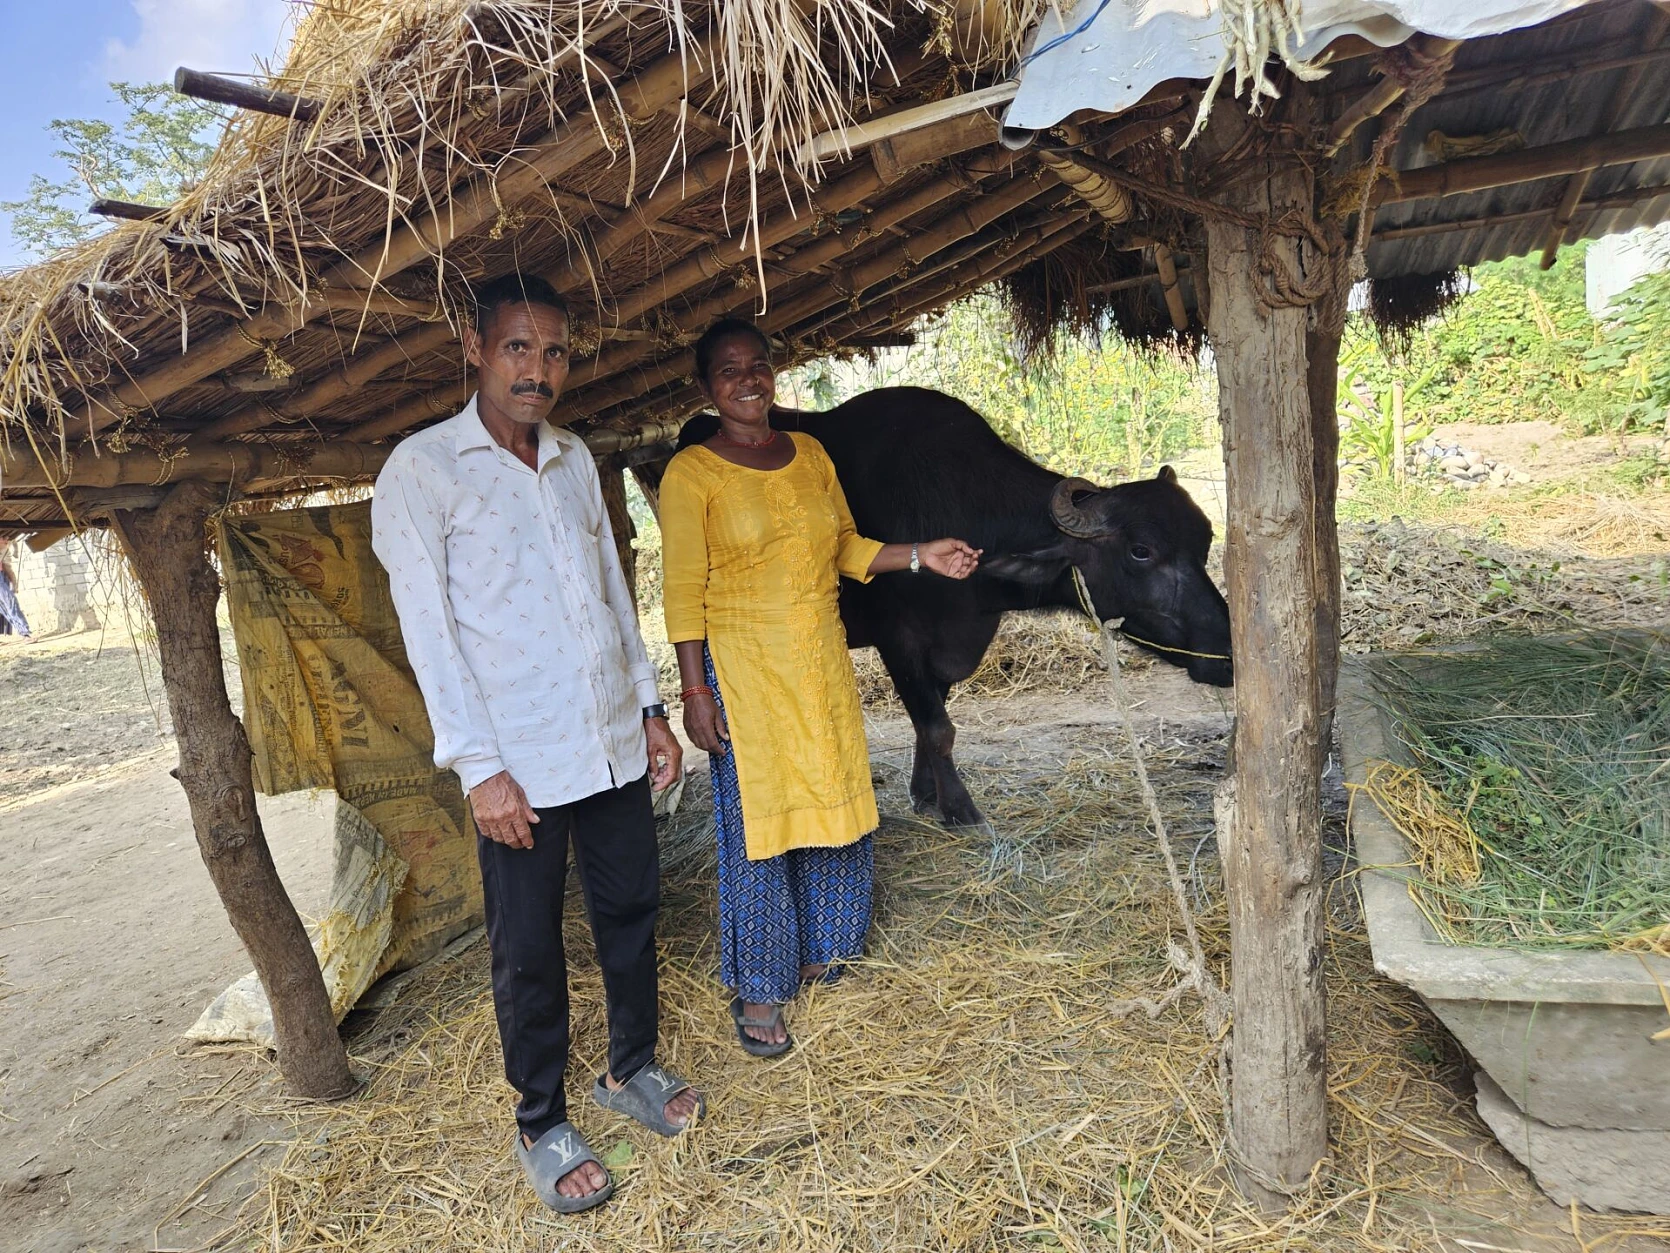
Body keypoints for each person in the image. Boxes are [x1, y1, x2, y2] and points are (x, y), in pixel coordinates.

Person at [371, 273, 703, 1215]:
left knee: (633, 906)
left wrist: (647, 710)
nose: (538, 369)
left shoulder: (572, 457)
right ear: (475, 350)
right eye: (518, 347)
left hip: (606, 740)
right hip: (516, 762)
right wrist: (480, 770)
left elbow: (608, 590)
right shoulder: (423, 469)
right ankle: (541, 1119)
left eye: (554, 351)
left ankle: (630, 1066)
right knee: (527, 947)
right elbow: (430, 635)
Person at [659, 318, 980, 1057]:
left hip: (817, 660)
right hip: (741, 669)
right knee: (761, 826)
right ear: (707, 387)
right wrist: (694, 692)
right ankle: (763, 985)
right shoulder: (693, 473)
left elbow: (844, 547)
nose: (748, 380)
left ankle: (824, 954)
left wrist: (922, 556)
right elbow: (681, 588)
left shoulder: (809, 455)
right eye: (729, 370)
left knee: (834, 804)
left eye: (759, 365)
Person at [0, 542, 31, 639]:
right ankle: (24, 633)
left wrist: (14, 584)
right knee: (9, 605)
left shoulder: (4, 552)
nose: (6, 540)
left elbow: (8, 569)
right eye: (3, 539)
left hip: (2, 576)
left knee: (9, 605)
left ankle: (24, 633)